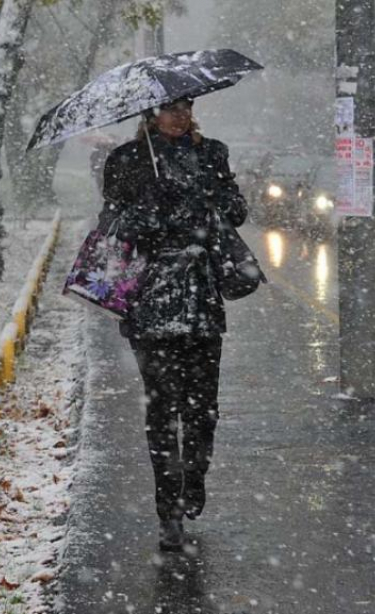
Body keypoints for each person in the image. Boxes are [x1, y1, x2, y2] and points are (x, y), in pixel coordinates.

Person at [99, 97, 248, 552]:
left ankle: (193, 477)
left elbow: (237, 211)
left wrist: (211, 201)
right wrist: (154, 211)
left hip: (201, 300)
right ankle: (169, 511)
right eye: (169, 109)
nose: (179, 116)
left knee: (203, 409)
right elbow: (112, 225)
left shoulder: (211, 153)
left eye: (185, 107)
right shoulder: (126, 160)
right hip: (151, 300)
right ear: (150, 114)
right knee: (162, 412)